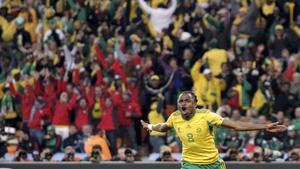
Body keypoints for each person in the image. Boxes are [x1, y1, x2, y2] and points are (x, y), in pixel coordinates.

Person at [141, 91, 287, 169]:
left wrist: (265, 126)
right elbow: (163, 127)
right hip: (190, 164)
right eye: (181, 101)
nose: (183, 103)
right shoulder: (175, 117)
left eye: (187, 100)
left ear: (195, 104)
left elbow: (236, 125)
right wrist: (150, 126)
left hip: (214, 164)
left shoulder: (206, 116)